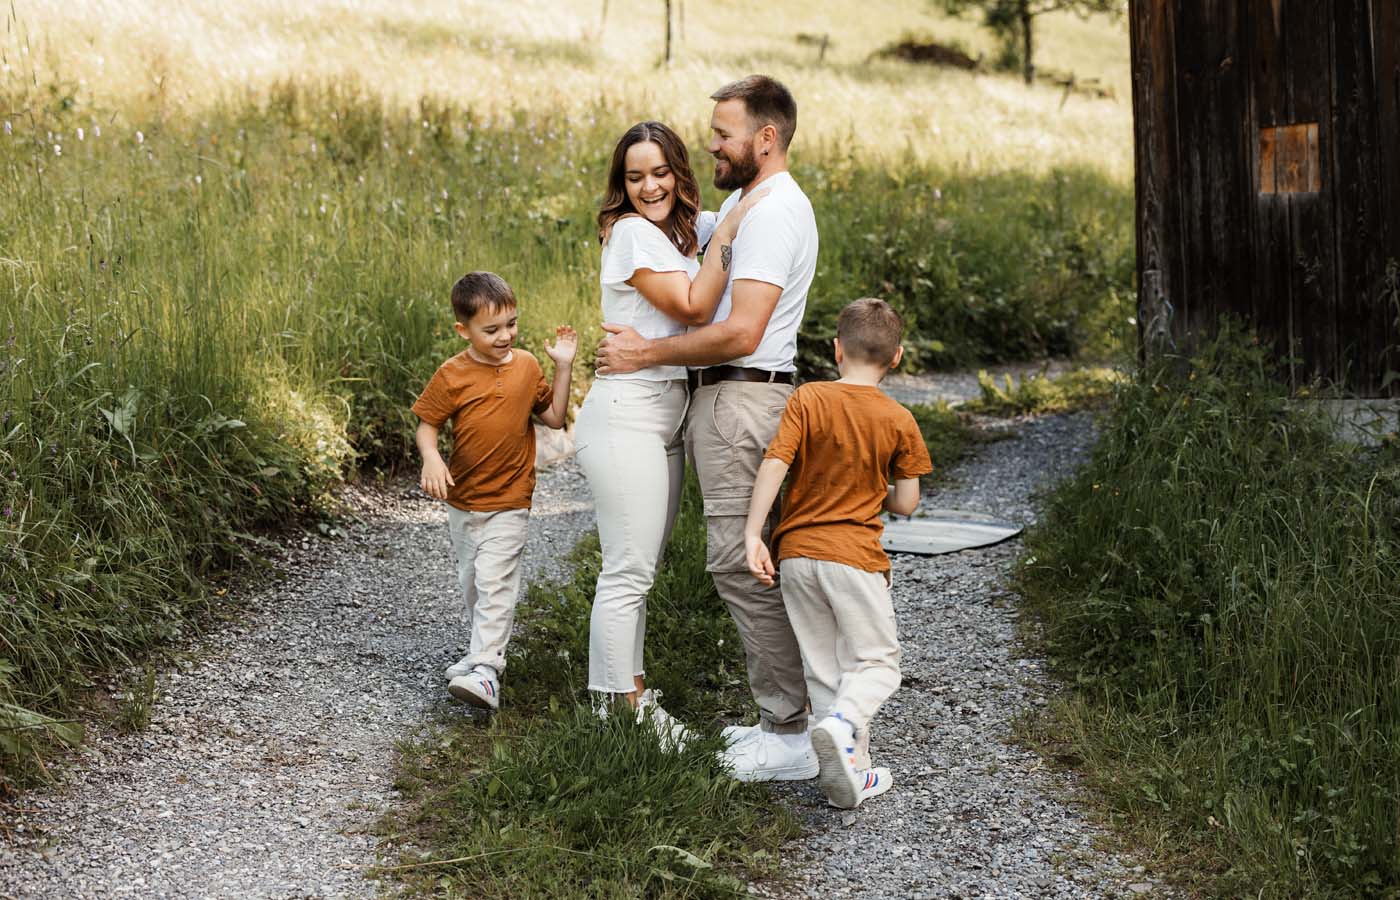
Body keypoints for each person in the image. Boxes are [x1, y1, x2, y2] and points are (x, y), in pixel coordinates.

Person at [594, 75, 819, 781]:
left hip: (740, 397)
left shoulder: (768, 213)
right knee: (740, 558)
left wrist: (646, 353)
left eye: (724, 134)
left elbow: (739, 329)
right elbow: (693, 265)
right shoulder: (747, 209)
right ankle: (785, 720)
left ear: (765, 138)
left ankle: (789, 733)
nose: (712, 145)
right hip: (715, 402)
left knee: (739, 563)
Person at [576, 121, 768, 747]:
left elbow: (740, 217)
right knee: (628, 570)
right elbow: (692, 306)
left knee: (641, 568)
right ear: (622, 185)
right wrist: (728, 232)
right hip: (625, 415)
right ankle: (620, 709)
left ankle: (626, 694)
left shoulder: (683, 234)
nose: (650, 187)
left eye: (660, 172)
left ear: (678, 173)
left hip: (665, 418)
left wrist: (730, 220)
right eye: (635, 177)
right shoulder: (631, 233)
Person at [743, 298, 932, 808]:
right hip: (853, 557)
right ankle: (845, 724)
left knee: (824, 669)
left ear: (836, 349)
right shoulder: (898, 418)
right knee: (879, 663)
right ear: (896, 357)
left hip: (797, 556)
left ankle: (849, 778)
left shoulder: (808, 398)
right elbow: (907, 503)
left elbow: (776, 462)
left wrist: (754, 533)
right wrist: (872, 489)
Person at [412, 271, 576, 710]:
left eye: (511, 324)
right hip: (464, 500)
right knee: (473, 583)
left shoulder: (527, 366)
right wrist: (431, 457)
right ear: (463, 330)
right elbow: (427, 425)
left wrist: (563, 366)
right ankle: (478, 652)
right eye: (492, 329)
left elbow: (554, 418)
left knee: (494, 580)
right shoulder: (452, 374)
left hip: (510, 499)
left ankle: (486, 671)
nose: (505, 336)